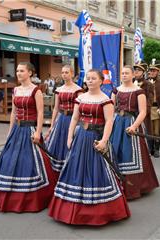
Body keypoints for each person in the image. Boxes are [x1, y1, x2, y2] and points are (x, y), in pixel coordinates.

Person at [48, 69, 130, 226]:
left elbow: (109, 122)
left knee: (96, 170)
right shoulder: (80, 98)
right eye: (88, 78)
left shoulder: (105, 100)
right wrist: (70, 136)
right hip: (81, 138)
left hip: (96, 138)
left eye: (94, 78)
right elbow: (74, 118)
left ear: (101, 81)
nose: (90, 81)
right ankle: (72, 209)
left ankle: (98, 211)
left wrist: (104, 141)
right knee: (76, 168)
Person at [0, 62, 57, 212]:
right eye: (17, 71)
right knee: (9, 159)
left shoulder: (36, 91)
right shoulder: (16, 90)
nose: (18, 73)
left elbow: (40, 112)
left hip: (30, 129)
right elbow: (13, 112)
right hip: (17, 130)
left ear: (30, 73)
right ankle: (8, 196)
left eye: (22, 71)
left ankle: (33, 196)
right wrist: (9, 131)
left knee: (29, 161)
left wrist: (38, 132)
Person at [110, 65, 159, 200]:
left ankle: (134, 187)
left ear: (133, 75)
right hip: (117, 122)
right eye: (122, 73)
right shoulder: (116, 90)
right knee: (114, 151)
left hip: (131, 122)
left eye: (126, 73)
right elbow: (111, 108)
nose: (124, 75)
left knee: (130, 154)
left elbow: (143, 111)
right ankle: (115, 185)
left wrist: (134, 126)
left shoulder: (139, 91)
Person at [45, 65, 84, 172]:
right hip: (61, 119)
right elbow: (56, 108)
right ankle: (58, 169)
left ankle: (71, 167)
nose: (64, 75)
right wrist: (52, 125)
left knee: (71, 142)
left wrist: (79, 124)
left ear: (72, 74)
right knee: (58, 143)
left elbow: (80, 109)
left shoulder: (78, 90)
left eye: (67, 72)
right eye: (62, 73)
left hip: (73, 119)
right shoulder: (59, 89)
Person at [133, 62, 154, 140]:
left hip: (142, 113)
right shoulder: (130, 83)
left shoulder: (148, 85)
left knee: (143, 134)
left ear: (143, 72)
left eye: (139, 70)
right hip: (130, 113)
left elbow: (149, 101)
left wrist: (143, 112)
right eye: (135, 69)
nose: (136, 71)